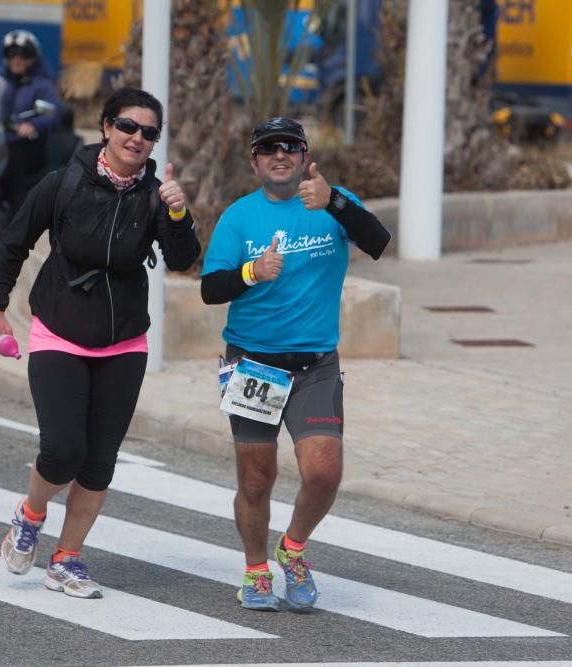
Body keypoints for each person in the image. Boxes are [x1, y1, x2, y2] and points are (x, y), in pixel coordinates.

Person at [0, 87, 201, 598]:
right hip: (59, 330)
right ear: (105, 127)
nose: (137, 138)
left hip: (124, 342)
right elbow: (14, 241)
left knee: (99, 461)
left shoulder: (154, 195)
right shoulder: (65, 182)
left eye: (149, 132)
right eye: (127, 126)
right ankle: (30, 514)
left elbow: (185, 258)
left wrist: (177, 213)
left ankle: (67, 559)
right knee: (62, 451)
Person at [201, 117, 391, 612]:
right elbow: (209, 288)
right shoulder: (239, 217)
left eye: (289, 147)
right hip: (254, 365)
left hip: (315, 365)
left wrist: (334, 201)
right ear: (254, 161)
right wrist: (252, 272)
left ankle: (294, 548)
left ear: (305, 156)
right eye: (267, 149)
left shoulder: (331, 203)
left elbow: (378, 241)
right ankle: (256, 569)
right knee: (256, 480)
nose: (279, 155)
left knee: (324, 472)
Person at [0, 29, 61, 219]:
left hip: (26, 145)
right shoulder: (0, 83)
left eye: (22, 55)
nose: (16, 59)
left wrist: (34, 125)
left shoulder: (42, 85)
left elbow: (53, 113)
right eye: (12, 55)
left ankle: (16, 217)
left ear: (31, 58)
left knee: (15, 165)